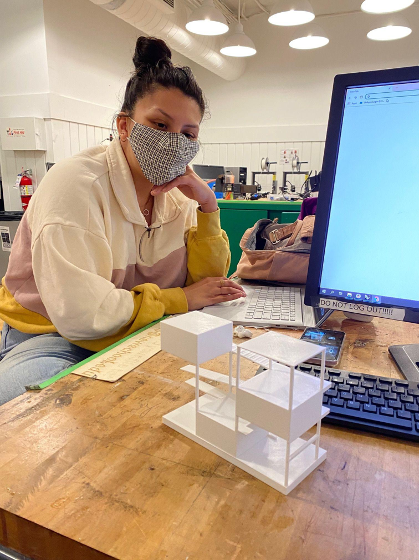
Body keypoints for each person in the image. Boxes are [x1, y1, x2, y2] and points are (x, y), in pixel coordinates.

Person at [0, 37, 246, 406]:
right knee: (38, 415)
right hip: (52, 335)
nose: (174, 142)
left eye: (188, 134)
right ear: (125, 126)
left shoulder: (179, 194)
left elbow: (204, 285)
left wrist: (208, 207)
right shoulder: (76, 186)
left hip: (137, 328)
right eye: (159, 124)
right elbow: (82, 316)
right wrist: (179, 299)